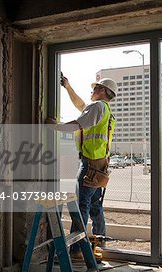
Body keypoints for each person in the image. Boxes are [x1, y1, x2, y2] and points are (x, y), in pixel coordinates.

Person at [45, 74, 117, 258]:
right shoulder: (105, 110)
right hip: (100, 166)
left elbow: (78, 124)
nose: (91, 91)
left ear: (102, 90)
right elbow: (80, 106)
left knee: (80, 206)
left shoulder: (97, 106)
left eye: (95, 88)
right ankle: (100, 242)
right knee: (94, 205)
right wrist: (68, 87)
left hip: (90, 165)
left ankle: (76, 250)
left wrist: (55, 127)